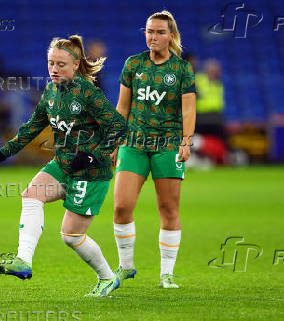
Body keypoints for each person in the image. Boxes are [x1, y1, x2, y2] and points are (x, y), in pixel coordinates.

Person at [0, 35, 127, 297]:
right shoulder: (50, 92)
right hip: (64, 163)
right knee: (31, 195)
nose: (54, 69)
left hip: (92, 172)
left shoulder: (87, 92)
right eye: (51, 63)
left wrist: (94, 154)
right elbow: (31, 128)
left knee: (71, 236)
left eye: (61, 64)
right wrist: (4, 152)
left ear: (75, 64)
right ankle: (23, 261)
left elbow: (118, 126)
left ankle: (107, 277)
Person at [110, 11, 196, 289]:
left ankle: (167, 273)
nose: (153, 37)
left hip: (168, 145)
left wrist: (186, 141)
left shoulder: (182, 69)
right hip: (133, 143)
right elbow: (122, 107)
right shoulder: (133, 64)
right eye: (149, 31)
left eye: (159, 32)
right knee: (122, 206)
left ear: (171, 36)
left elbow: (188, 108)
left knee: (168, 208)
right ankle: (125, 267)